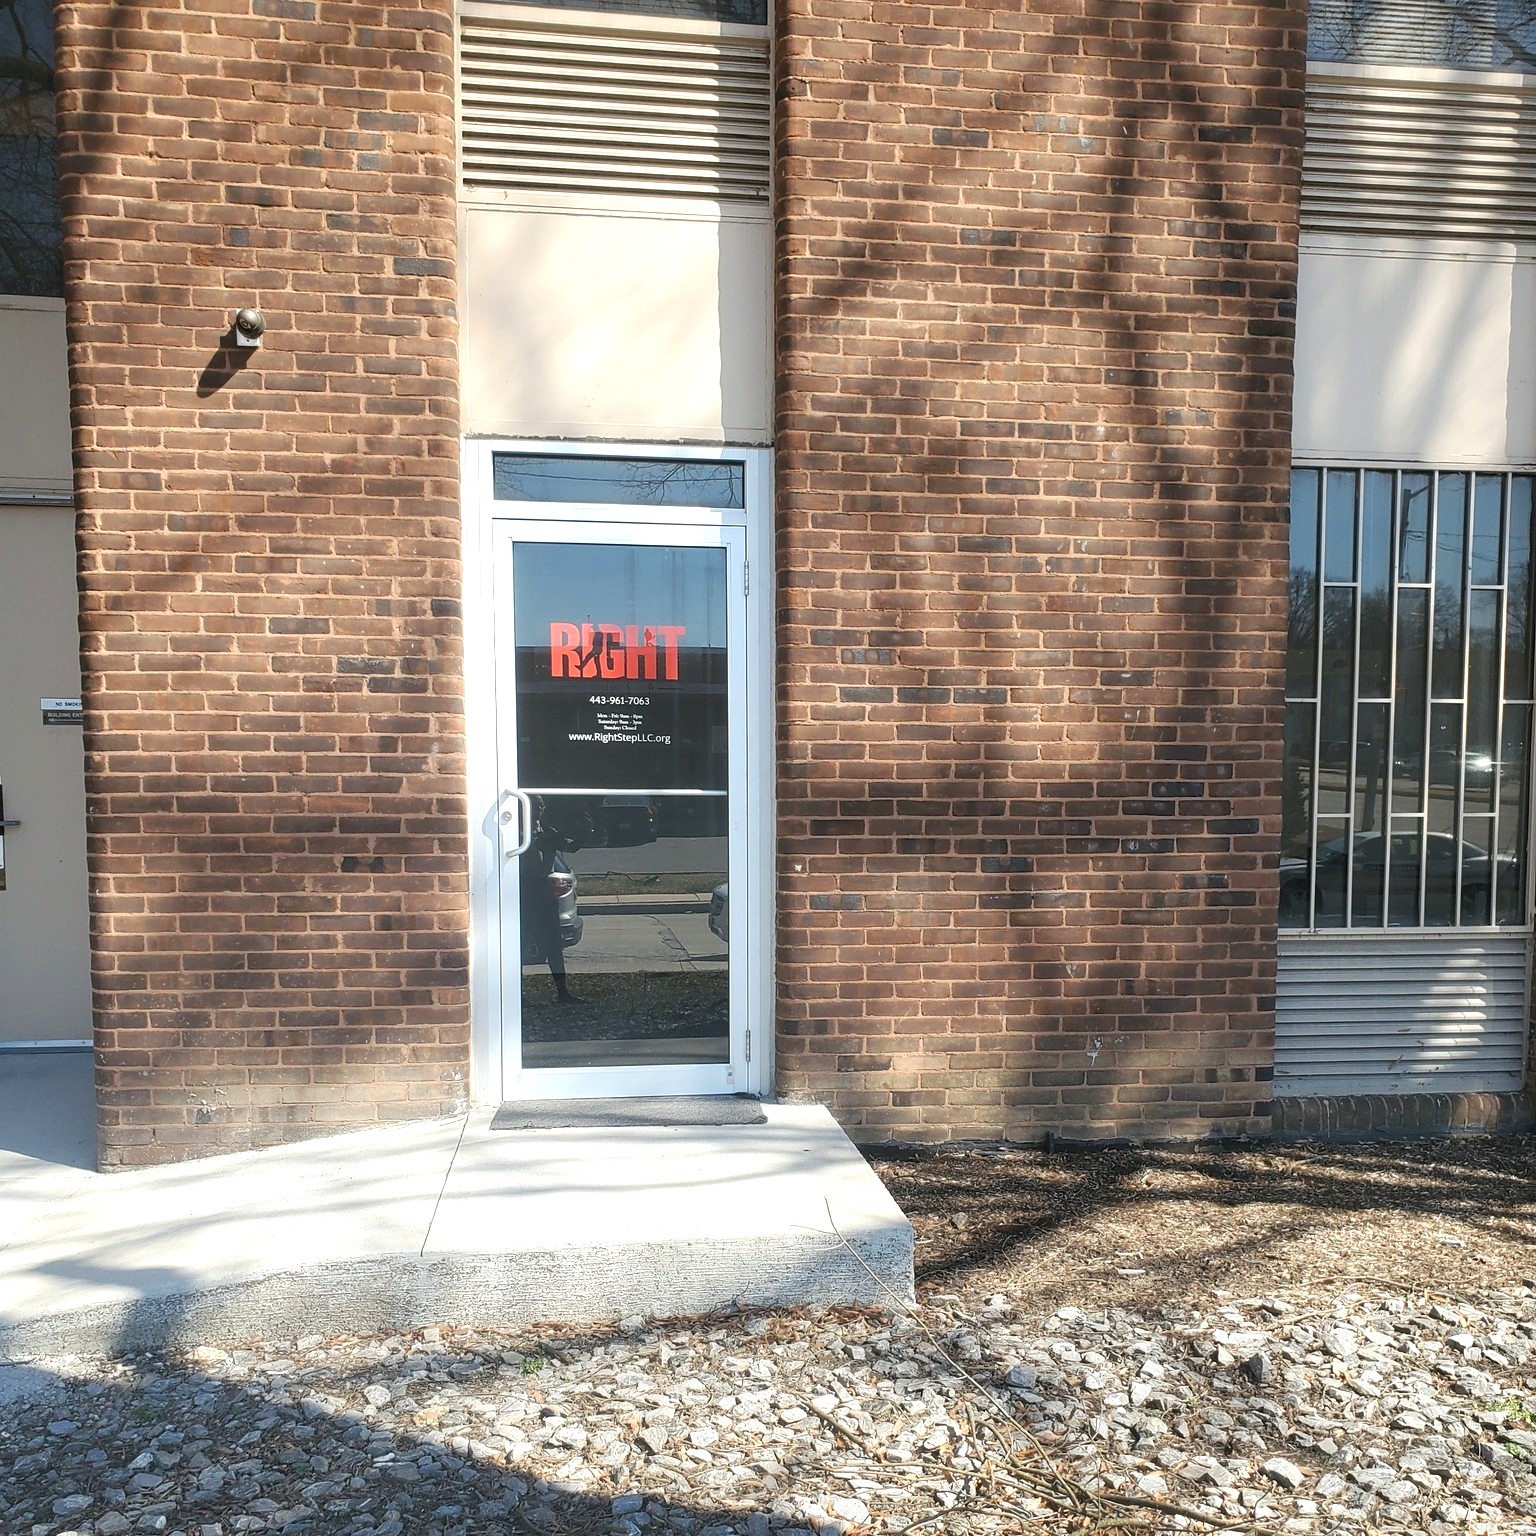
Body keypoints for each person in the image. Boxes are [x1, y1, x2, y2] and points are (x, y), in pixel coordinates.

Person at [519, 796, 590, 1003]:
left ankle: (562, 991)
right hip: (523, 891)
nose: (539, 809)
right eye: (534, 805)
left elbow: (571, 846)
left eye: (541, 805)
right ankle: (516, 993)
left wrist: (586, 828)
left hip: (543, 891)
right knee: (520, 944)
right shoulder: (516, 834)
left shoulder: (547, 832)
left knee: (553, 944)